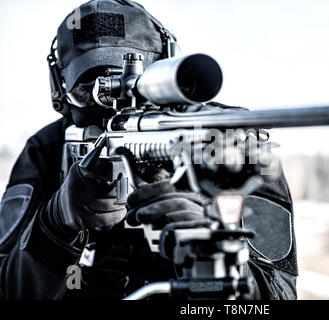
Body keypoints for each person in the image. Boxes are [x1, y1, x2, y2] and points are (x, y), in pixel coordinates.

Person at [0, 0, 298, 300]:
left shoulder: (228, 140)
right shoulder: (47, 150)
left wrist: (214, 252)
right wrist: (54, 223)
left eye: (135, 85)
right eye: (89, 89)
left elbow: (276, 297)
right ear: (61, 89)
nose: (114, 103)